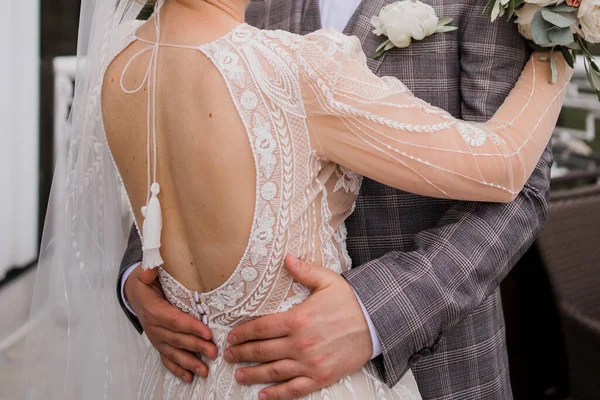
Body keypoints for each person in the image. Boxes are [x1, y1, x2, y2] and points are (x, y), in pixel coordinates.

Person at [21, 0, 571, 399]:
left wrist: (373, 313)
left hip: (433, 362)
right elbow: (165, 185)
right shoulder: (278, 42)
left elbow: (520, 191)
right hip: (230, 365)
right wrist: (141, 289)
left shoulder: (121, 63)